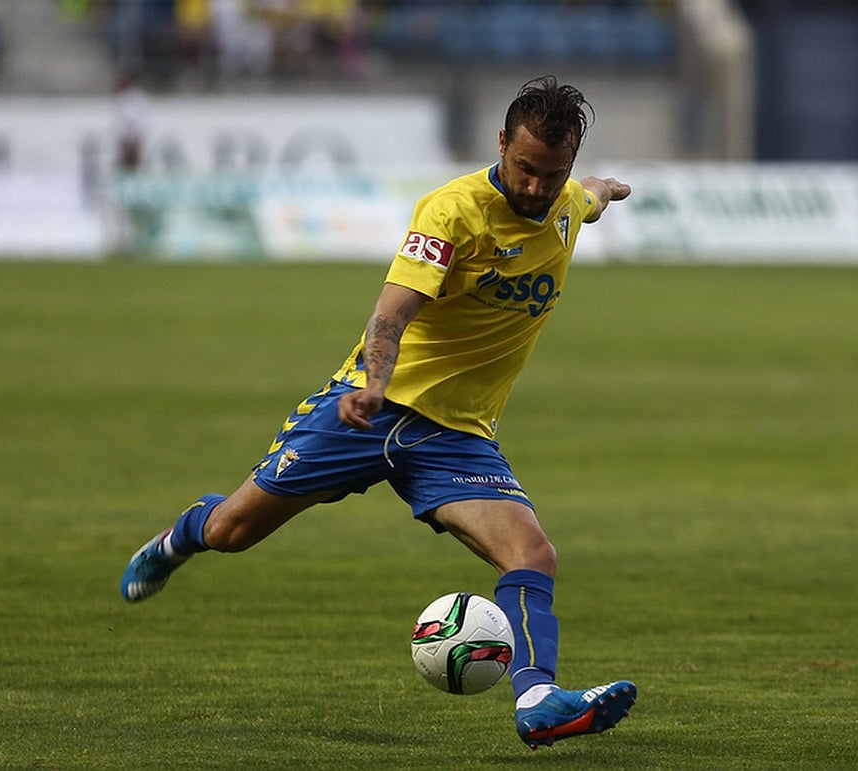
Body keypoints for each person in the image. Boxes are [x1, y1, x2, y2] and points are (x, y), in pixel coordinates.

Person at [120, 75, 636, 749]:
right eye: (526, 169)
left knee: (532, 552)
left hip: (457, 436)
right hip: (370, 407)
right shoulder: (451, 212)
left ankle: (539, 698)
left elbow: (589, 196)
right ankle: (179, 537)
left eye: (553, 174)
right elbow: (391, 313)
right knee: (234, 530)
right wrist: (372, 383)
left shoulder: (568, 201)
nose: (538, 188)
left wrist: (604, 189)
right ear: (502, 144)